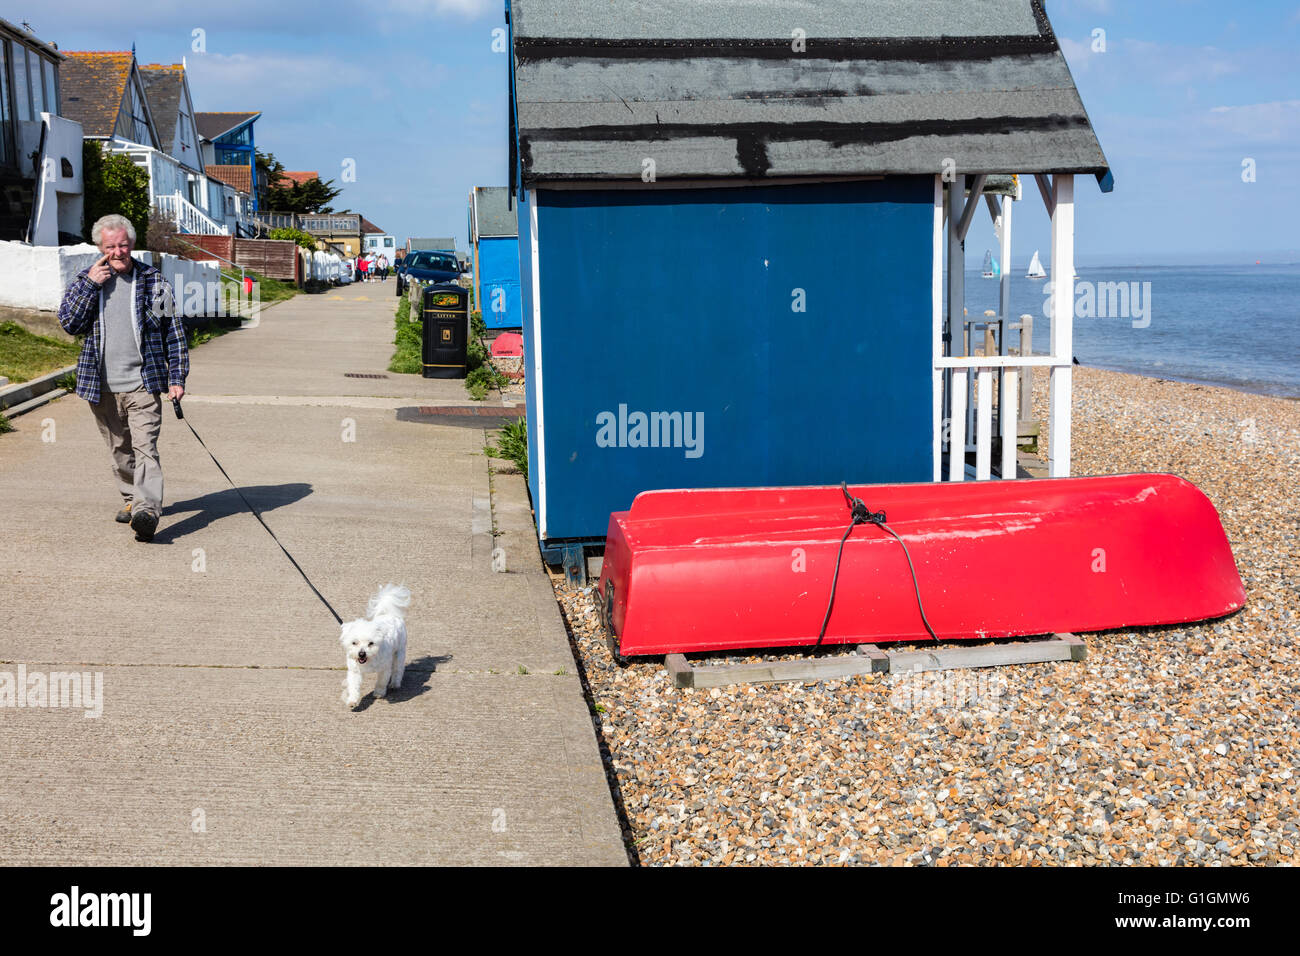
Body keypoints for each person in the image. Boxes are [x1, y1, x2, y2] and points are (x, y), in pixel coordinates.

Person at [57, 214, 187, 542]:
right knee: (119, 448)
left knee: (146, 448)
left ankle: (147, 511)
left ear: (132, 246)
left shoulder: (153, 281)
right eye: (110, 246)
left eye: (123, 245)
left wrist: (177, 376)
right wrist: (90, 284)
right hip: (100, 384)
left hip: (144, 381)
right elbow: (69, 323)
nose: (117, 252)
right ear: (100, 247)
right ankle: (131, 500)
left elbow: (174, 330)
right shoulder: (86, 279)